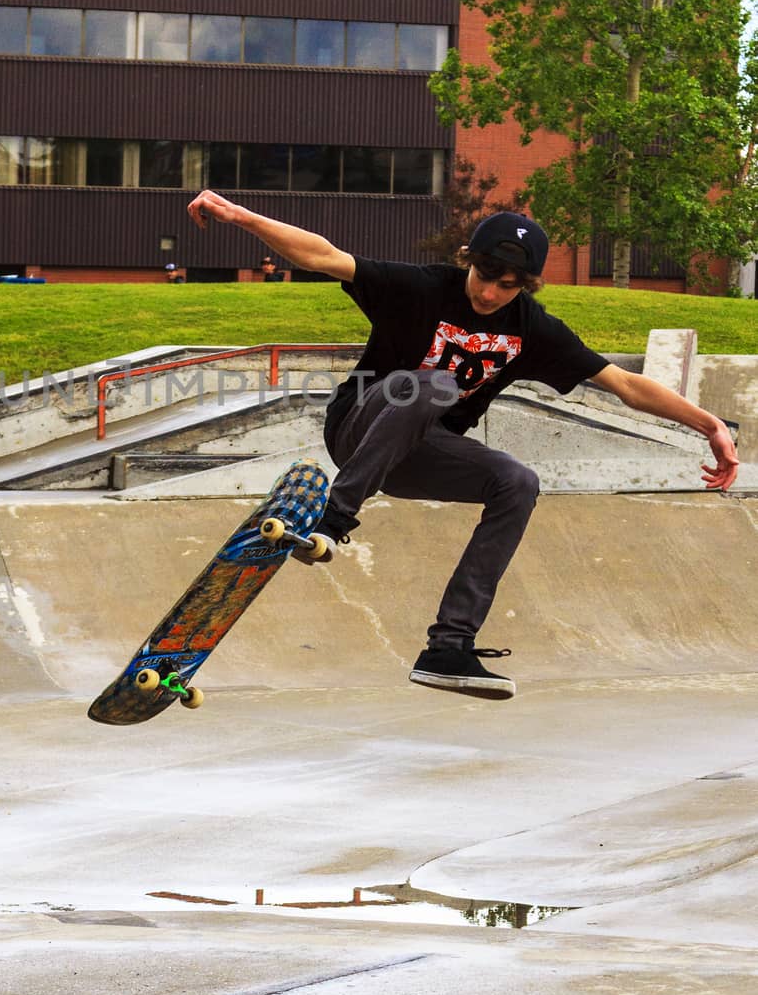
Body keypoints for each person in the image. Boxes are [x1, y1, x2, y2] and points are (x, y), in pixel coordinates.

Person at [187, 190, 739, 701]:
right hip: (358, 427)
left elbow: (623, 383)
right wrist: (242, 217)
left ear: (526, 286)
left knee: (517, 482)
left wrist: (708, 423)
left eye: (508, 285)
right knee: (430, 383)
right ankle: (332, 520)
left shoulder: (533, 329)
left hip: (419, 455)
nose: (491, 292)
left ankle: (448, 647)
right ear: (467, 259)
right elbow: (324, 256)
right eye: (485, 274)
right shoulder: (424, 288)